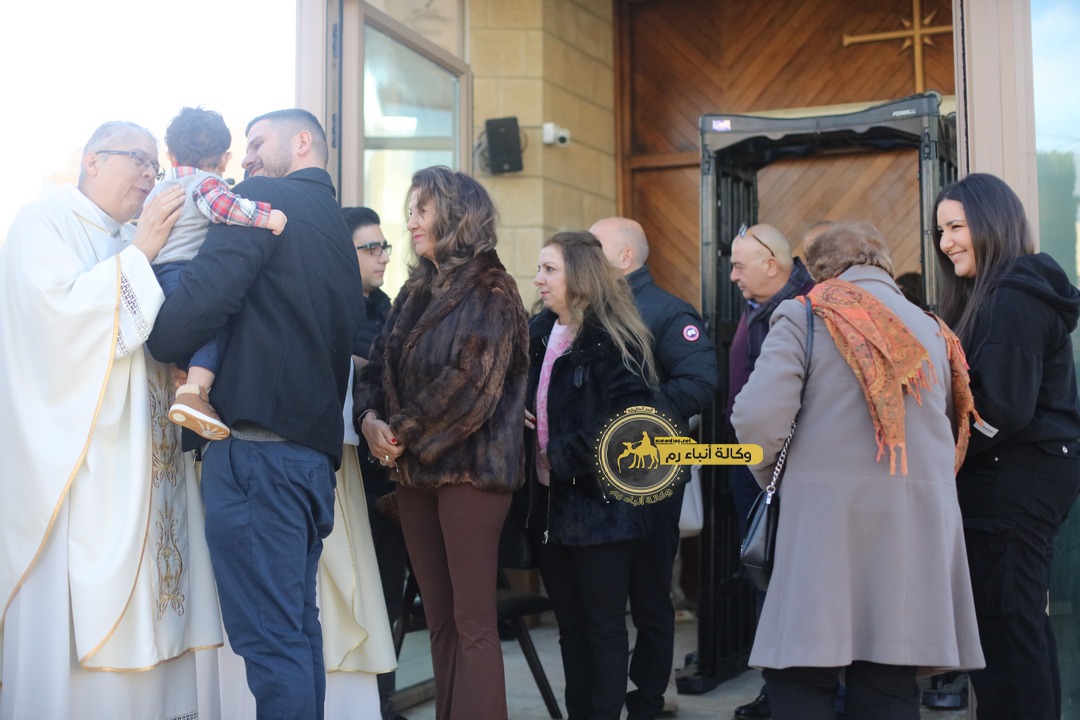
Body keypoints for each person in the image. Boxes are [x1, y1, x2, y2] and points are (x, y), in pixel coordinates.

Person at [147, 108, 365, 718]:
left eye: (258, 142)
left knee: (271, 643)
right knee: (295, 632)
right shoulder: (338, 229)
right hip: (310, 462)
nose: (245, 158)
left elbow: (190, 314)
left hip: (255, 457)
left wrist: (165, 334)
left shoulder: (261, 200)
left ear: (303, 142)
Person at [0, 121, 222, 718]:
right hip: (84, 471)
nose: (151, 174)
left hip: (152, 462)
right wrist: (141, 253)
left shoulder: (133, 232)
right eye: (137, 159)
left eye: (155, 164)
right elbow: (57, 325)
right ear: (92, 160)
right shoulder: (43, 224)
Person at [731, 221, 984, 720]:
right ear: (884, 265)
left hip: (823, 526)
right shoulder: (933, 327)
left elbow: (757, 418)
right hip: (915, 525)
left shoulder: (805, 313)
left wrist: (776, 482)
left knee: (800, 674)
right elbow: (954, 423)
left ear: (820, 270)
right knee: (888, 681)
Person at [354, 166, 529, 720]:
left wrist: (400, 431)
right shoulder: (414, 288)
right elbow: (376, 366)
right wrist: (369, 420)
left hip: (471, 474)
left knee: (473, 623)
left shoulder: (493, 288)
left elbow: (470, 384)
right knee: (439, 620)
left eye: (422, 210)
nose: (411, 221)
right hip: (413, 472)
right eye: (410, 210)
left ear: (456, 216)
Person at [933, 172, 1080, 720]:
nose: (946, 242)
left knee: (1007, 631)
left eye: (956, 227)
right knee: (1017, 626)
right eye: (940, 230)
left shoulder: (1013, 297)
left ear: (992, 223)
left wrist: (943, 456)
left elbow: (1001, 408)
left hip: (1013, 484)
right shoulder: (1002, 293)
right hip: (1018, 479)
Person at [525, 230, 659, 720]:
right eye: (540, 269)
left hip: (602, 511)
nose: (538, 279)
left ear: (579, 277)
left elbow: (631, 426)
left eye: (549, 269)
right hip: (549, 507)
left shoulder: (614, 340)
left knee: (603, 629)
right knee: (570, 629)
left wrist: (559, 453)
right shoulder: (538, 334)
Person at [590, 216, 719, 720]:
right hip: (592, 483)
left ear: (625, 257)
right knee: (601, 605)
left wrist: (630, 416)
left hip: (650, 481)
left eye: (595, 247)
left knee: (649, 599)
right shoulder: (585, 310)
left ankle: (648, 701)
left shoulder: (668, 311)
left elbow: (699, 383)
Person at [148, 106, 287, 441]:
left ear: (170, 155)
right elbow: (225, 209)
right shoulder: (206, 183)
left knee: (190, 330)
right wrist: (267, 216)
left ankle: (188, 381)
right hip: (184, 269)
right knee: (215, 322)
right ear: (225, 159)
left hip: (158, 275)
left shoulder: (159, 189)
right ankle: (195, 393)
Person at [725, 222, 814, 719]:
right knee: (763, 575)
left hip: (779, 471)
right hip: (751, 464)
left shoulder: (800, 309)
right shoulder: (759, 303)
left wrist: (764, 470)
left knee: (786, 581)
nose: (732, 275)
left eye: (740, 266)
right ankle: (776, 689)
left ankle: (791, 693)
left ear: (772, 266)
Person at [341, 205, 407, 720]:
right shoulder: (335, 308)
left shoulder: (389, 307)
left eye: (385, 246)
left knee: (388, 593)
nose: (383, 256)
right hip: (346, 474)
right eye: (371, 248)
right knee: (354, 595)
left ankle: (382, 702)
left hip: (388, 476)